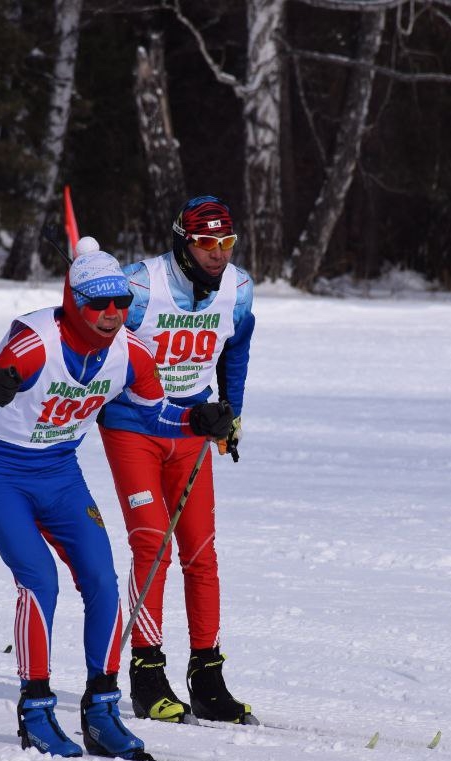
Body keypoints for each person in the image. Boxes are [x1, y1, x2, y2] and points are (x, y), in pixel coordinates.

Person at [0, 242, 234, 761]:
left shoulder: (132, 352)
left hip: (60, 473)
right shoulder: (32, 343)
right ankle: (35, 709)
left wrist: (195, 421)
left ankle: (101, 711)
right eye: (98, 305)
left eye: (120, 304)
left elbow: (153, 416)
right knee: (39, 579)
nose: (111, 315)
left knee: (102, 577)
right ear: (73, 301)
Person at [97, 195, 257, 725]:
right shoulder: (139, 285)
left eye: (226, 243)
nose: (218, 254)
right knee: (152, 544)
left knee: (201, 552)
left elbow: (237, 345)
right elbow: (93, 337)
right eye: (207, 243)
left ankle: (207, 675)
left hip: (191, 429)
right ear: (183, 242)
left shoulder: (237, 289)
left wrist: (229, 412)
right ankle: (146, 673)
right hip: (133, 428)